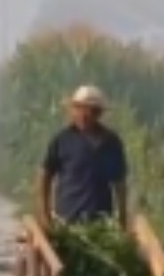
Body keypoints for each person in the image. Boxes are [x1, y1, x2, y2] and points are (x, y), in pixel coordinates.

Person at [37, 85, 129, 229]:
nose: (84, 115)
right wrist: (45, 213)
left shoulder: (111, 142)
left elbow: (119, 182)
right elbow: (45, 176)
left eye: (91, 111)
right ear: (73, 110)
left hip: (101, 222)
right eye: (79, 109)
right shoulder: (62, 140)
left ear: (99, 114)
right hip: (67, 220)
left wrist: (122, 216)